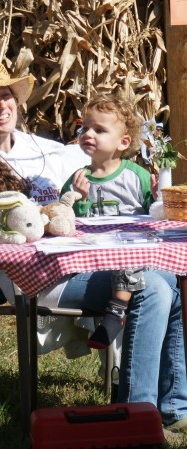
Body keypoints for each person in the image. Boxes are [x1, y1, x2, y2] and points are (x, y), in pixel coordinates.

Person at [0, 57, 187, 432]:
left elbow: (108, 156)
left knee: (173, 278)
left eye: (5, 96)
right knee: (152, 285)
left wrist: (147, 179)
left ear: (17, 102)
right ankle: (139, 415)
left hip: (90, 262)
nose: (1, 105)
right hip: (37, 274)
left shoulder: (50, 151)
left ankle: (167, 408)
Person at [60, 93, 157, 350]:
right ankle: (117, 310)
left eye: (99, 130)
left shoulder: (138, 177)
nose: (88, 134)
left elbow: (155, 216)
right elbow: (64, 222)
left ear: (123, 142)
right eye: (85, 128)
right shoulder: (77, 179)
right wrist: (79, 199)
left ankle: (116, 310)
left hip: (133, 252)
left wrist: (159, 199)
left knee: (130, 249)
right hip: (95, 256)